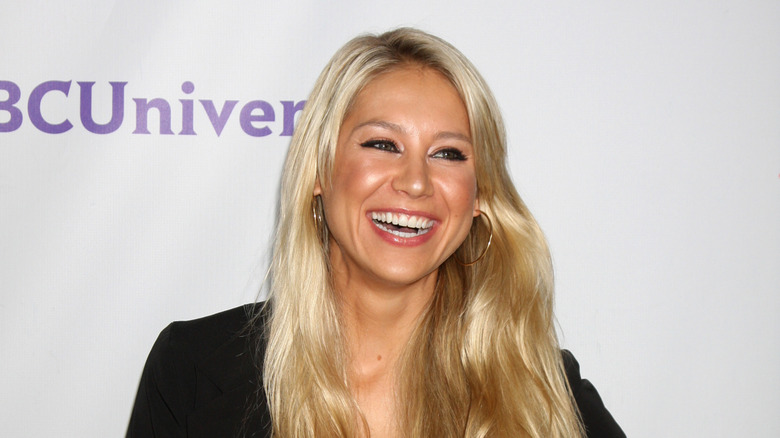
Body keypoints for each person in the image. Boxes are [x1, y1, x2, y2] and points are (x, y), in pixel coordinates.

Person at [127, 28, 625, 438]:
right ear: (319, 172)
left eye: (448, 153)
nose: (414, 181)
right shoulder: (194, 369)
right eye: (383, 143)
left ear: (480, 197)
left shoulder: (544, 392)